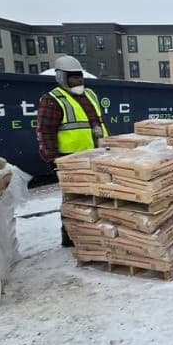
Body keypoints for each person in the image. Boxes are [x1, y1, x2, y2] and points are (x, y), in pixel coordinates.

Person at [37, 55, 109, 247]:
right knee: (73, 200)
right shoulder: (53, 100)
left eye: (80, 76)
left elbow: (98, 124)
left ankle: (93, 234)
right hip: (70, 158)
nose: (79, 80)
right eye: (74, 77)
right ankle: (70, 237)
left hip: (96, 155)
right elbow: (45, 132)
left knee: (97, 197)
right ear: (62, 77)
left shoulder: (90, 95)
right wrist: (52, 159)